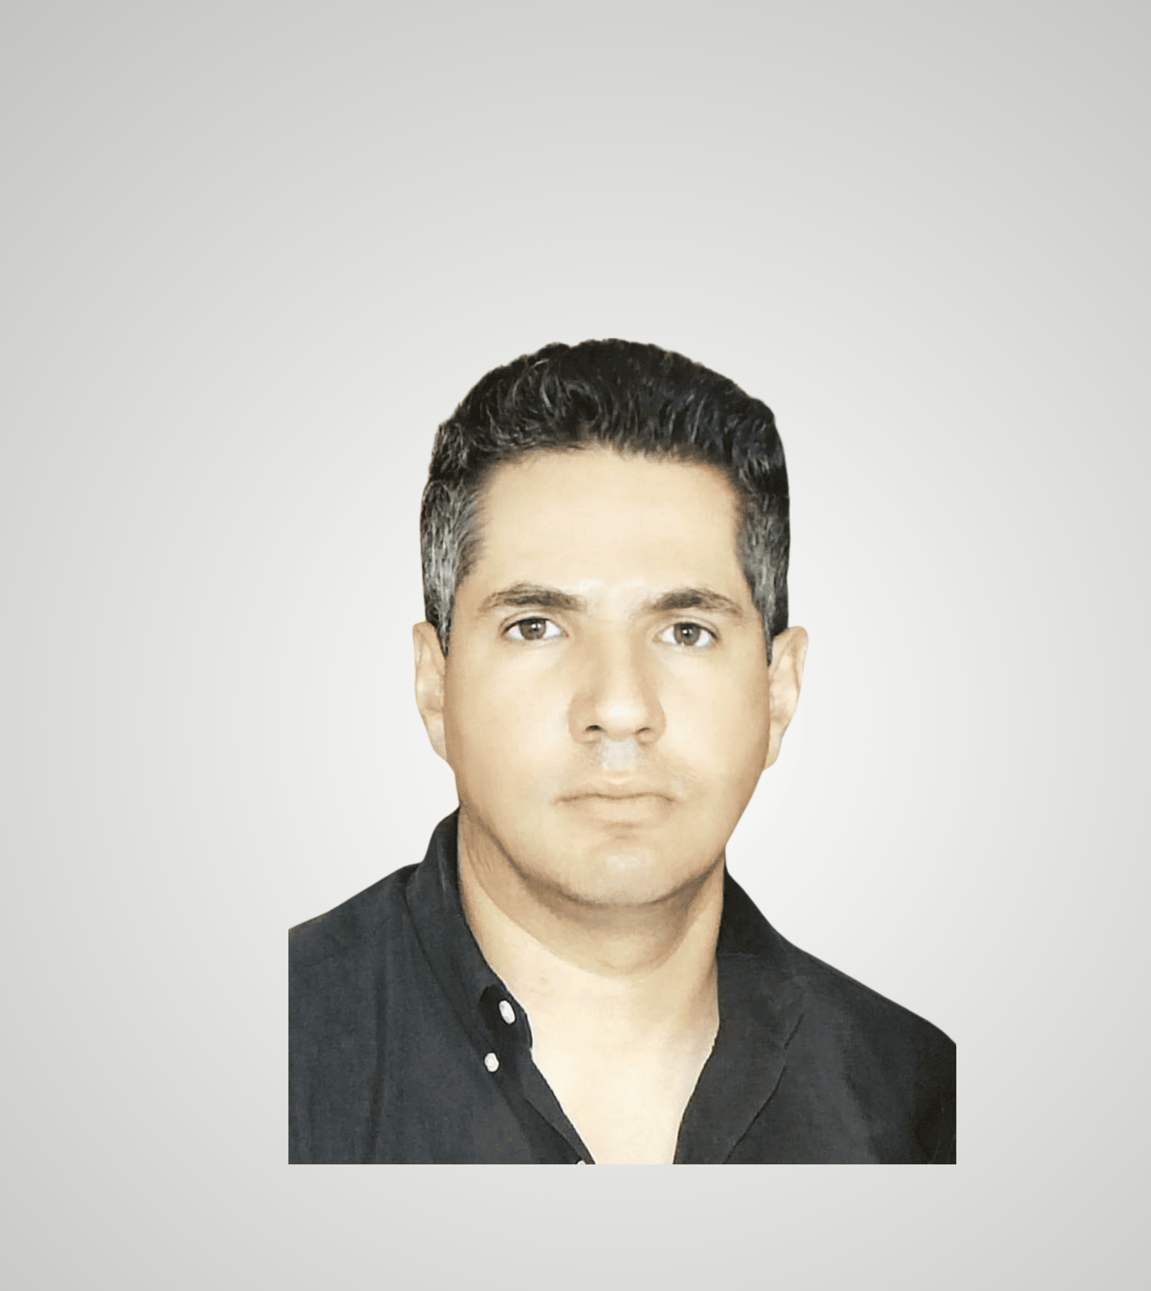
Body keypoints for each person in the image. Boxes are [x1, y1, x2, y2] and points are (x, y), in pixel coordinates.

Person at [289, 339, 956, 1164]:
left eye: (687, 631)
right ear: (435, 686)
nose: (618, 708)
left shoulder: (920, 1107)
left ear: (779, 691)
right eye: (537, 626)